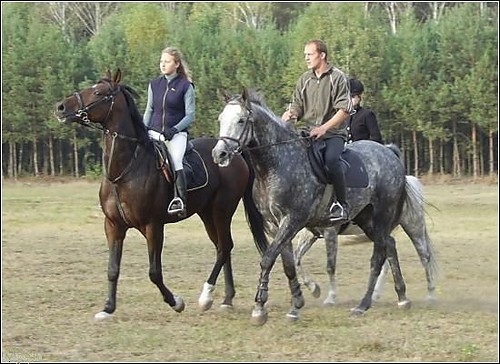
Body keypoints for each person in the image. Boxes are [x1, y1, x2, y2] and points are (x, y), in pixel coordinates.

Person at [282, 39, 353, 222]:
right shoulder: (304, 79)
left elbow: (344, 111)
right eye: (305, 55)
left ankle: (341, 205)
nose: (306, 58)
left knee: (331, 160)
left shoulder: (337, 77)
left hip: (333, 135)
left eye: (310, 54)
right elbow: (297, 104)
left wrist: (324, 128)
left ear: (322, 55)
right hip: (308, 133)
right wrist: (292, 114)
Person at [143, 46, 196, 218]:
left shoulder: (186, 86)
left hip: (176, 135)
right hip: (154, 132)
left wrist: (175, 130)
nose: (163, 64)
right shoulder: (154, 85)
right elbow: (149, 110)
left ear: (177, 64)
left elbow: (190, 115)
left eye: (167, 61)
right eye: (161, 61)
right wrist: (143, 129)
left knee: (175, 160)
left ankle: (179, 200)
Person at [347, 78, 383, 144]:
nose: (349, 100)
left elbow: (376, 138)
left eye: (352, 96)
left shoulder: (367, 115)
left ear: (359, 96)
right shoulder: (341, 117)